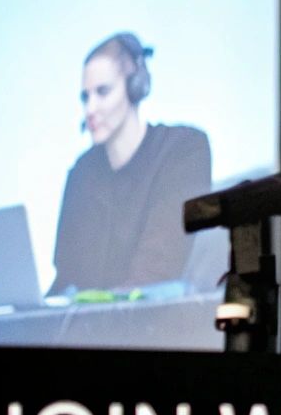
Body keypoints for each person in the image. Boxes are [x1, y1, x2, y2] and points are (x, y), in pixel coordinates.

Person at [47, 32, 211, 295]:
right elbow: (67, 276)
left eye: (103, 92)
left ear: (135, 86)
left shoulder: (183, 149)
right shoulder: (82, 172)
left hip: (154, 327)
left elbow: (158, 269)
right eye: (85, 97)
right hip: (88, 328)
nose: (90, 109)